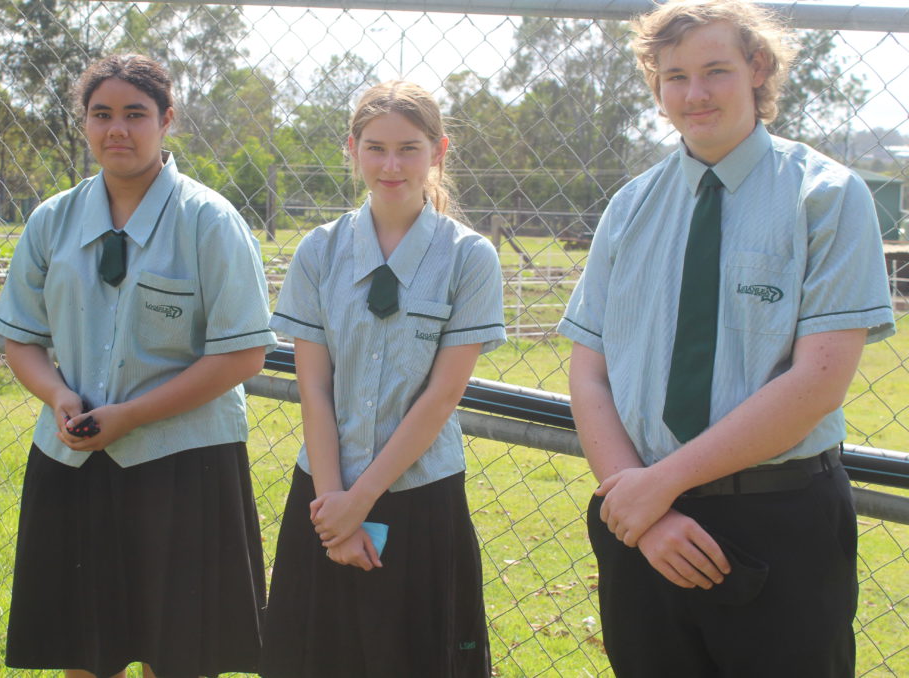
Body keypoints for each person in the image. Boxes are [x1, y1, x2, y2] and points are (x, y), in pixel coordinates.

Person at [559, 1, 896, 675]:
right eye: (675, 75)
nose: (696, 93)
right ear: (657, 86)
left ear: (758, 68)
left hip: (776, 515)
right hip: (642, 522)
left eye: (716, 69)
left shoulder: (825, 196)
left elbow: (817, 382)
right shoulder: (629, 209)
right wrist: (643, 505)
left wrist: (659, 486)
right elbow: (589, 372)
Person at [0, 54, 275, 678]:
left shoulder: (210, 222)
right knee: (86, 649)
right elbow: (22, 339)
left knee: (181, 653)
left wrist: (132, 415)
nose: (117, 129)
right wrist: (59, 397)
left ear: (167, 120)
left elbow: (242, 352)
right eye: (102, 115)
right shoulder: (52, 221)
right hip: (76, 457)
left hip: (183, 464)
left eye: (135, 114)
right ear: (84, 124)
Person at [260, 81, 505, 678]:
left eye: (409, 148)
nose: (391, 165)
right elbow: (313, 390)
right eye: (376, 147)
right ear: (352, 148)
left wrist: (360, 502)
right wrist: (332, 507)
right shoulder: (319, 252)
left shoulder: (469, 258)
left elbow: (443, 396)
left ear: (438, 150)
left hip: (421, 495)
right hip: (322, 490)